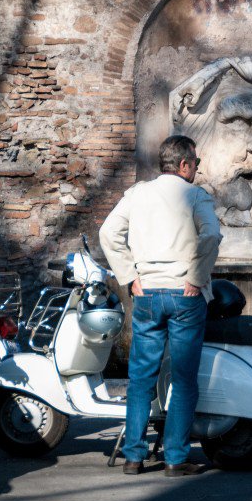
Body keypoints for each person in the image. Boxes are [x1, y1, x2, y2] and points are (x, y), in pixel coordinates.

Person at [99, 135, 222, 477]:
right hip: (185, 294)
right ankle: (175, 458)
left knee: (140, 378)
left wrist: (128, 274)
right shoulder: (195, 195)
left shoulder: (138, 194)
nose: (197, 168)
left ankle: (134, 456)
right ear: (183, 165)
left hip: (148, 292)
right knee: (182, 380)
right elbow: (211, 235)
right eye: (195, 162)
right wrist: (196, 277)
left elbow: (108, 233)